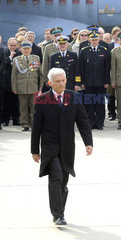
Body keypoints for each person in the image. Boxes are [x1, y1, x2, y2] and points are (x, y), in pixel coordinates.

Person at [31, 68, 93, 226]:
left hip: (67, 147)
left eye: (63, 80)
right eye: (57, 81)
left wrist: (88, 142)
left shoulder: (74, 96)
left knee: (63, 182)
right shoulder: (42, 100)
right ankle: (58, 214)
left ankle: (59, 210)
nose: (60, 84)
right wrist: (34, 150)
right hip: (49, 146)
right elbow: (36, 127)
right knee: (56, 177)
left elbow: (83, 121)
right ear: (50, 83)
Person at [79, 33, 110, 130]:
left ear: (98, 40)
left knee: (100, 103)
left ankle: (100, 123)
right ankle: (91, 123)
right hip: (88, 82)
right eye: (92, 40)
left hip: (101, 82)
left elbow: (107, 68)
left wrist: (106, 81)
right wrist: (82, 83)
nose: (94, 42)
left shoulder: (104, 51)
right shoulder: (84, 51)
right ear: (89, 41)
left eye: (96, 40)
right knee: (89, 103)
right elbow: (81, 68)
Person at [11, 42, 43, 131]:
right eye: (24, 49)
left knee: (34, 107)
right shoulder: (16, 60)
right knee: (23, 107)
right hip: (21, 87)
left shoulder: (36, 58)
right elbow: (14, 75)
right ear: (21, 50)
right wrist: (14, 88)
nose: (26, 50)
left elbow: (41, 74)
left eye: (28, 49)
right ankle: (24, 124)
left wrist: (41, 87)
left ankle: (34, 124)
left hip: (34, 87)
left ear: (31, 49)